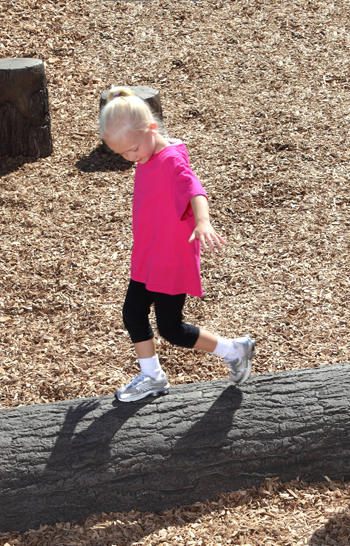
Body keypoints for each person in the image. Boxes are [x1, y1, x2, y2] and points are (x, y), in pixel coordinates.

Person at [99, 86, 254, 402]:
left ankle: (233, 350)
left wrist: (203, 222)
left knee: (170, 327)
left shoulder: (170, 161)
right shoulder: (148, 151)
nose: (131, 157)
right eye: (123, 154)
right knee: (133, 313)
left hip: (170, 257)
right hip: (148, 255)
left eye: (133, 149)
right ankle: (153, 376)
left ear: (151, 129)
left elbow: (195, 190)